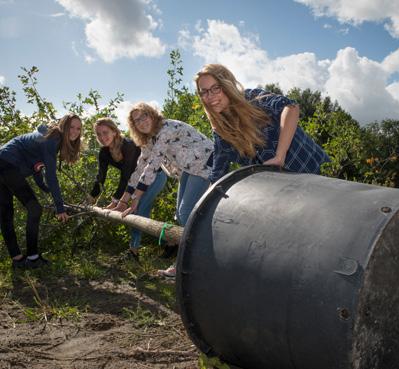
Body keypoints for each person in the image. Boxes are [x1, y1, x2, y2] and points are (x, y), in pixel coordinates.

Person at [114, 102, 213, 277]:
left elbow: (153, 165)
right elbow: (140, 169)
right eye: (136, 120)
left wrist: (136, 198)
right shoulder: (149, 140)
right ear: (134, 126)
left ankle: (198, 259)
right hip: (190, 168)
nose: (141, 122)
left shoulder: (166, 128)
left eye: (144, 116)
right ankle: (191, 259)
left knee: (186, 212)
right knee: (181, 214)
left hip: (205, 163)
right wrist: (123, 200)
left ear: (152, 115)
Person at [194, 64, 330, 183]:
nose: (210, 96)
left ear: (227, 85)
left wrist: (279, 156)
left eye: (216, 88)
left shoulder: (252, 99)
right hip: (293, 189)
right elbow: (218, 174)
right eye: (204, 92)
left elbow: (291, 107)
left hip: (320, 172)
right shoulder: (221, 131)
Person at [0, 114, 82, 269]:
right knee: (35, 209)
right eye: (71, 126)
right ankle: (32, 258)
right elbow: (51, 176)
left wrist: (46, 190)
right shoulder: (53, 140)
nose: (75, 131)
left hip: (4, 163)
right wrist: (60, 207)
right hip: (7, 165)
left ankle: (17, 260)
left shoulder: (49, 136)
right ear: (63, 125)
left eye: (78, 128)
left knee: (6, 214)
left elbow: (37, 170)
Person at [89, 117, 167, 261]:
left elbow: (127, 175)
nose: (102, 137)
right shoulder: (104, 152)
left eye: (105, 132)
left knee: (138, 209)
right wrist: (92, 197)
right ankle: (169, 241)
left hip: (154, 176)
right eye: (98, 134)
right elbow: (101, 177)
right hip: (136, 180)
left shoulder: (128, 145)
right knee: (140, 211)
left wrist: (117, 201)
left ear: (114, 131)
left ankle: (134, 252)